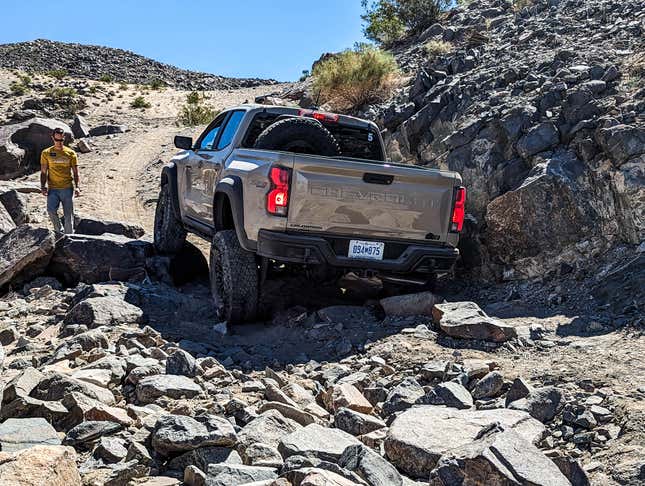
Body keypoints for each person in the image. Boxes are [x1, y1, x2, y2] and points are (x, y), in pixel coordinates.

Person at [40, 127, 80, 234]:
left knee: (68, 216)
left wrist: (78, 187)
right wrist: (43, 186)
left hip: (67, 188)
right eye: (57, 140)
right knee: (51, 211)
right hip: (52, 189)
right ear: (52, 138)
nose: (59, 142)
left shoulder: (71, 153)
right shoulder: (46, 153)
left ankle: (69, 237)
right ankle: (59, 231)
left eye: (61, 140)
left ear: (64, 138)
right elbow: (43, 172)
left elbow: (76, 172)